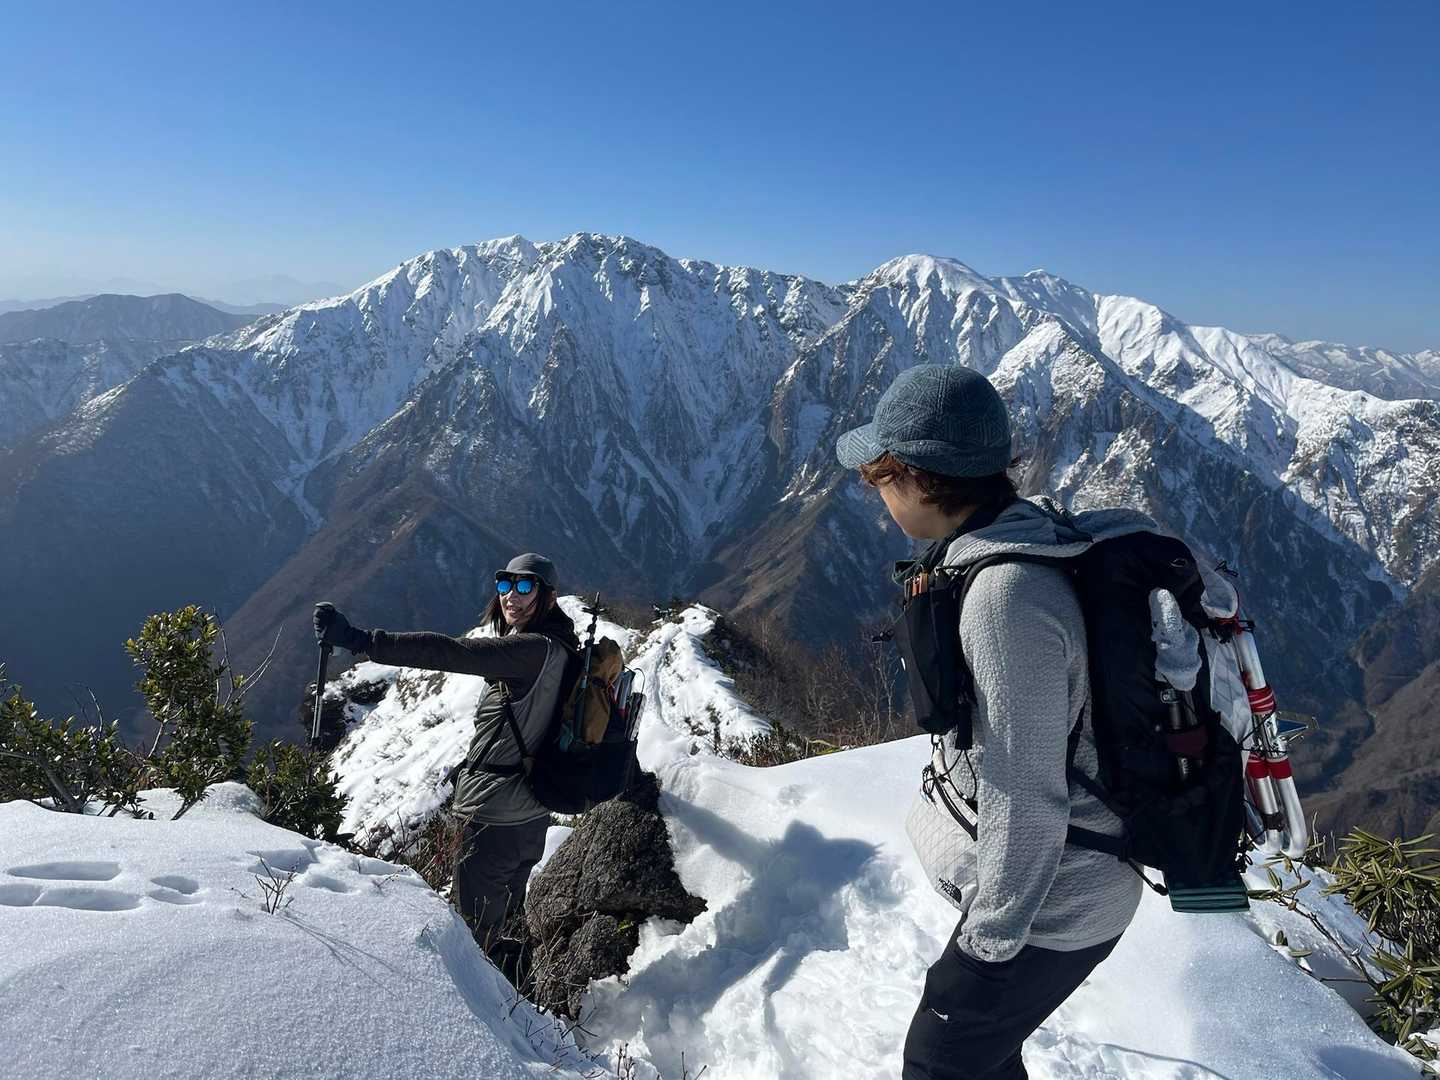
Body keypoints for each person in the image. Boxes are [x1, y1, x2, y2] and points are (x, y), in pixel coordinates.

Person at [835, 364, 1142, 1080]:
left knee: (938, 1064)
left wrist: (987, 947)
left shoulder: (1007, 598)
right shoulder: (1011, 543)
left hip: (1053, 906)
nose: (877, 495)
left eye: (881, 477)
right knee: (988, 1063)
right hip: (1044, 892)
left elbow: (1023, 789)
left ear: (918, 478)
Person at [313, 553, 578, 983]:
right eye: (505, 584)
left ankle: (494, 1014)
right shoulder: (560, 647)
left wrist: (361, 640)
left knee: (474, 938)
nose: (511, 595)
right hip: (528, 812)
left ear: (548, 597)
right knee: (508, 923)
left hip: (494, 817)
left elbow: (448, 651)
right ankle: (526, 1004)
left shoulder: (530, 650)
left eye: (525, 586)